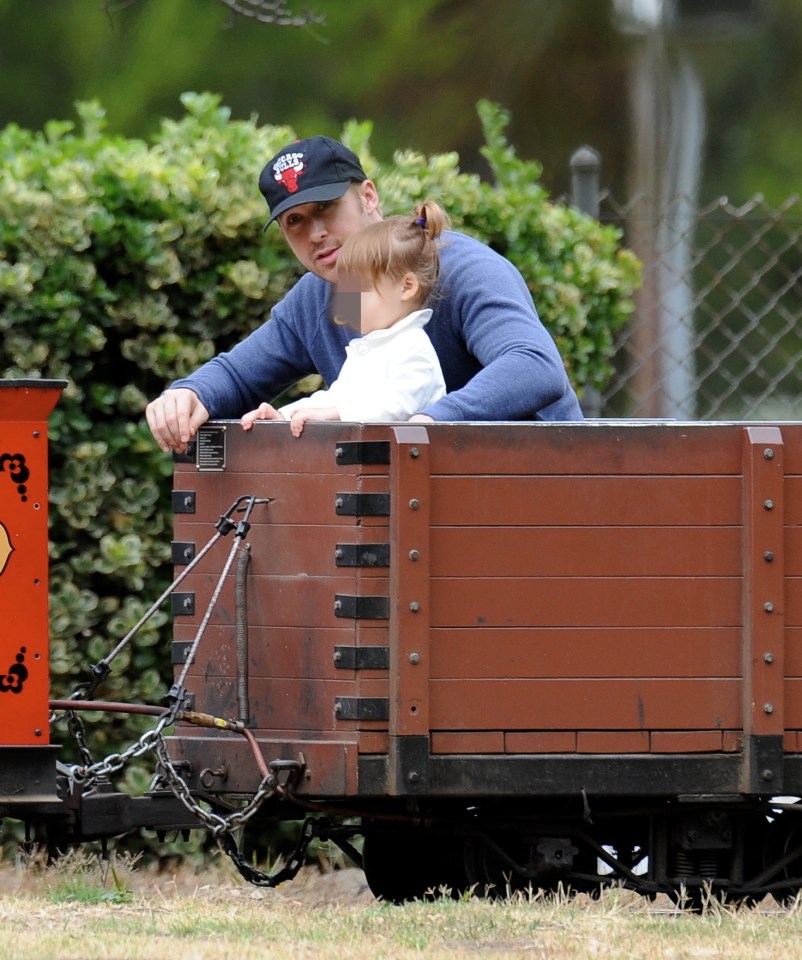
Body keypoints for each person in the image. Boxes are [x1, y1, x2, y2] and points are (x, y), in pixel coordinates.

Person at [146, 135, 583, 454]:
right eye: (294, 222)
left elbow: (534, 367)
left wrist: (427, 424)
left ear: (368, 196)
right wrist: (189, 395)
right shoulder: (323, 297)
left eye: (325, 209)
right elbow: (239, 377)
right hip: (421, 512)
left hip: (539, 500)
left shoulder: (460, 269)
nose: (316, 233)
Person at [240, 200, 448, 437]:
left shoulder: (412, 347)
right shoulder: (373, 346)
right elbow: (337, 397)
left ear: (406, 287)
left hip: (409, 470)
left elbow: (398, 405)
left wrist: (336, 413)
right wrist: (284, 416)